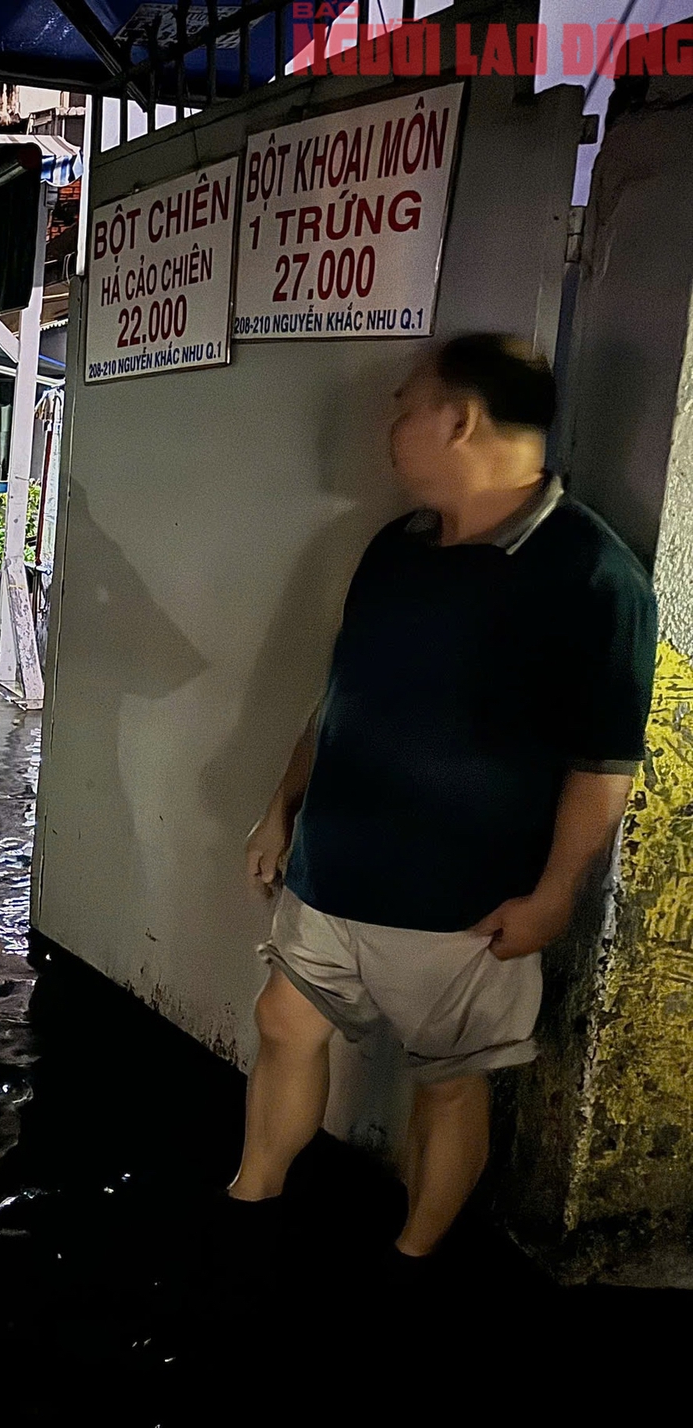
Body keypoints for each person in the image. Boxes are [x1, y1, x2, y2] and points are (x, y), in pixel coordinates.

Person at [232, 334, 655, 1260]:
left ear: (459, 419)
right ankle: (251, 1199)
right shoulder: (397, 546)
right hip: (332, 869)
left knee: (450, 1083)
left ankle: (415, 1253)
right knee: (282, 1020)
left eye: (403, 406)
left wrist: (552, 898)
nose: (390, 426)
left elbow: (602, 766)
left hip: (463, 904)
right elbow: (340, 698)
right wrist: (280, 809)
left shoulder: (593, 576)